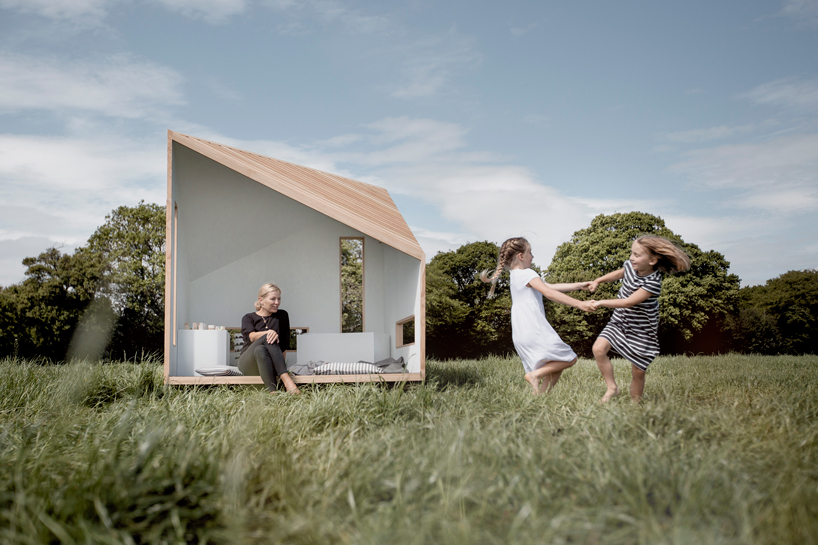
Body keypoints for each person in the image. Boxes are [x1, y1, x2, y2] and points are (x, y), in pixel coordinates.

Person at [481, 237, 595, 395]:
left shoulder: (515, 277)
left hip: (521, 333)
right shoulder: (527, 273)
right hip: (534, 328)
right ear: (521, 256)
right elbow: (549, 293)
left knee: (554, 364)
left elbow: (550, 286)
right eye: (530, 253)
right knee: (569, 358)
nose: (532, 257)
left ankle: (540, 398)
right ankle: (535, 376)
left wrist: (579, 285)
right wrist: (580, 304)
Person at [589, 235, 691, 403]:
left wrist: (600, 303)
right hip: (620, 320)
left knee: (638, 370)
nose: (631, 258)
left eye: (637, 255)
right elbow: (619, 274)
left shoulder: (653, 282)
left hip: (641, 328)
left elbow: (628, 302)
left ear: (652, 260)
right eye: (631, 253)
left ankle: (636, 402)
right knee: (598, 349)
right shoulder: (630, 266)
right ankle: (612, 388)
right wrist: (598, 281)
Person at [238, 283, 300, 394]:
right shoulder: (249, 317)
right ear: (261, 300)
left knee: (260, 350)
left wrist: (280, 367)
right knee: (267, 337)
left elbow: (284, 345)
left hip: (267, 362)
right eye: (273, 299)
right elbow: (251, 337)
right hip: (248, 363)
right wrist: (268, 333)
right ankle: (287, 381)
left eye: (279, 299)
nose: (277, 303)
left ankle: (272, 392)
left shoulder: (282, 316)